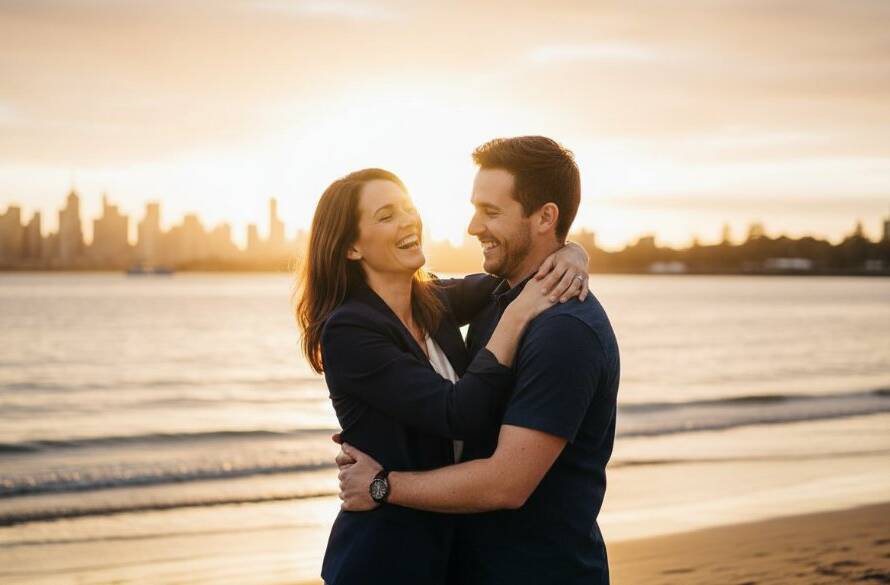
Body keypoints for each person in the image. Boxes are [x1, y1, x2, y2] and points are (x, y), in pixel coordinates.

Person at [336, 137, 621, 585]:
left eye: (490, 212)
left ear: (546, 217)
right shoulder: (498, 299)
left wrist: (382, 485)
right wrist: (569, 252)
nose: (472, 227)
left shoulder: (566, 331)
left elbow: (506, 484)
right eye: (475, 209)